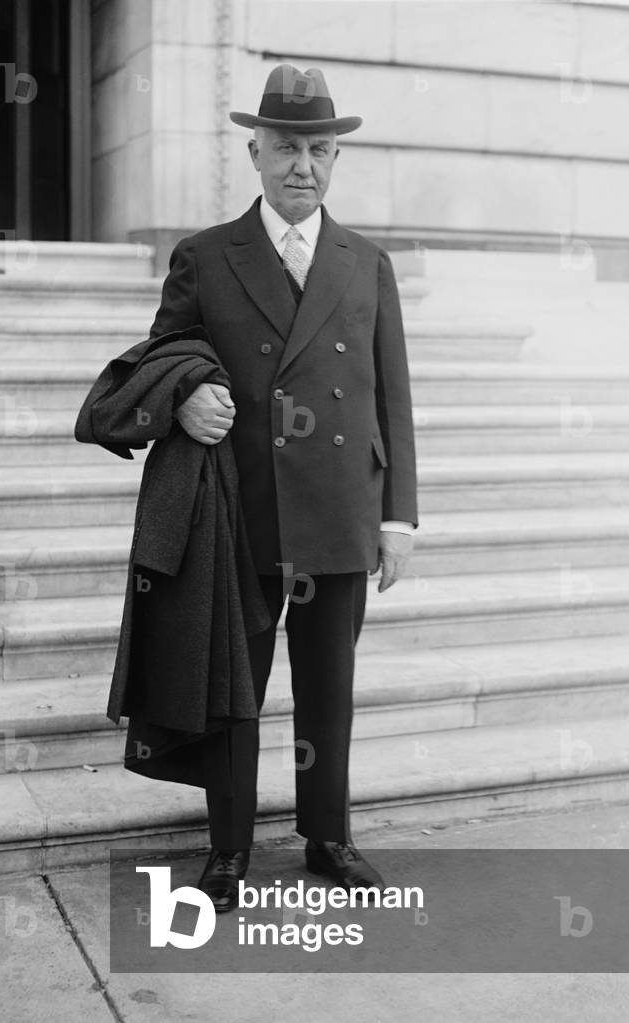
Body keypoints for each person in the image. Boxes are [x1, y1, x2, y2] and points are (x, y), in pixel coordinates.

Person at [147, 64, 418, 911]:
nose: (303, 164)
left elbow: (393, 393)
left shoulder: (365, 262)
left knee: (327, 683)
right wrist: (185, 394)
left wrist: (398, 515)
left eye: (319, 149)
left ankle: (326, 834)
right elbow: (161, 357)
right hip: (242, 507)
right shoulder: (204, 256)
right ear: (254, 152)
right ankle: (227, 846)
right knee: (235, 686)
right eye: (287, 147)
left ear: (334, 159)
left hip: (339, 506)